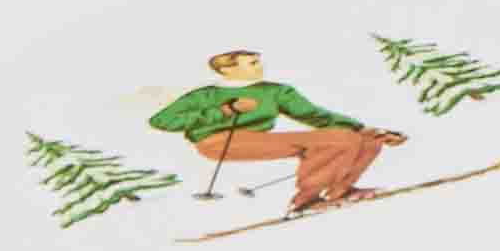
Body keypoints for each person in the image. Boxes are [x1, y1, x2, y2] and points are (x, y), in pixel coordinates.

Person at [148, 50, 405, 214]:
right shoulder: (207, 95)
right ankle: (307, 199)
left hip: (258, 138)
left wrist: (364, 129)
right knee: (339, 140)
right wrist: (225, 111)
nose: (259, 67)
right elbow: (161, 121)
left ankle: (341, 190)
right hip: (218, 141)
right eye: (251, 63)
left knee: (364, 140)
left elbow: (313, 115)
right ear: (227, 70)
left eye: (258, 62)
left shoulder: (275, 91)